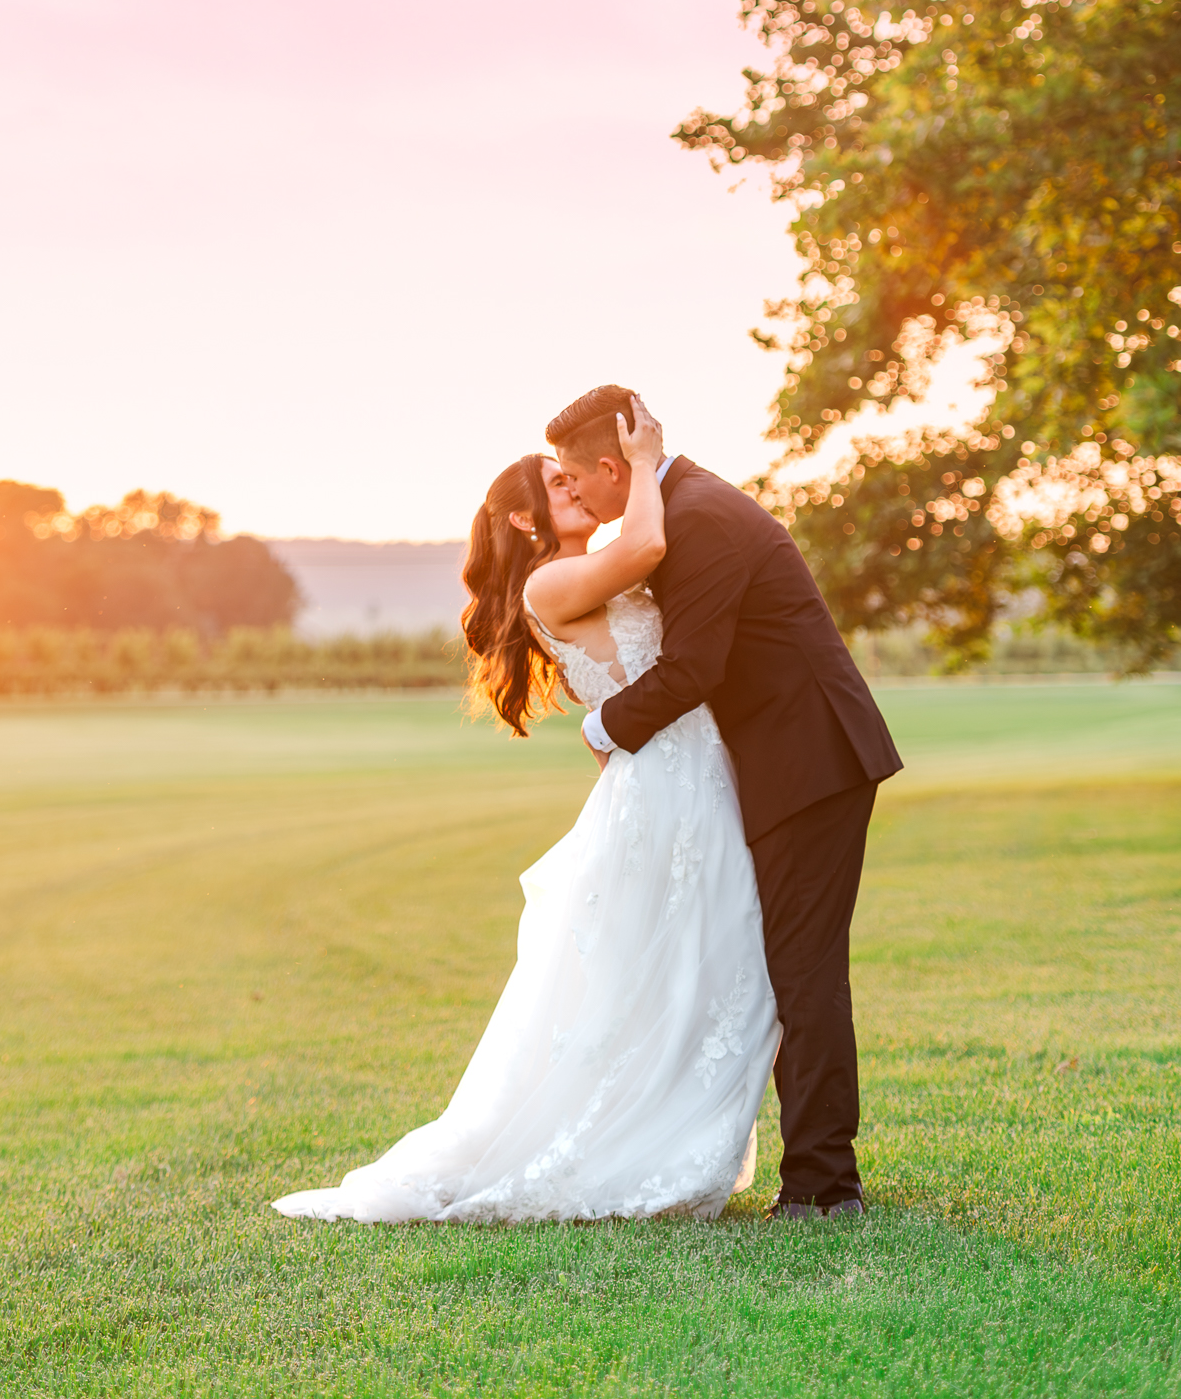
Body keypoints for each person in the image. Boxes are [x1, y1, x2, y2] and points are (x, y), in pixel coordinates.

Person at [272, 399, 779, 1225]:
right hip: (666, 784)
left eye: (573, 474)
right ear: (522, 515)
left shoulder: (587, 562)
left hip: (687, 773)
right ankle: (630, 1145)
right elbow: (649, 542)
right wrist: (645, 459)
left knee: (698, 966)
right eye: (555, 481)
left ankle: (665, 1128)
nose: (573, 485)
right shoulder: (551, 580)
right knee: (688, 964)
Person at [547, 385, 903, 1221]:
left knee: (802, 970)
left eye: (573, 475)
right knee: (793, 966)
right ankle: (819, 1173)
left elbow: (694, 667)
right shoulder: (678, 507)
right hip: (790, 758)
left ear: (610, 466)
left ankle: (824, 1185)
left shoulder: (698, 516)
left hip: (808, 760)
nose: (577, 494)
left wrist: (603, 726)